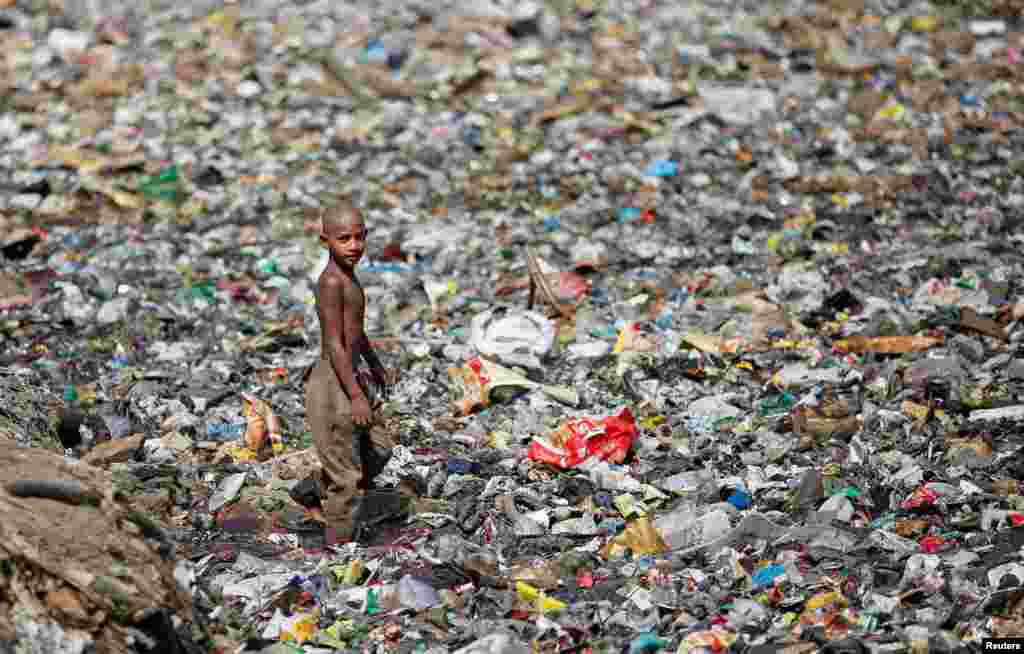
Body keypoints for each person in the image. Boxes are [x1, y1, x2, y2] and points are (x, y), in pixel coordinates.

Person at [303, 199, 395, 543]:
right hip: (333, 382)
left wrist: (373, 363)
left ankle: (315, 488)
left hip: (353, 372)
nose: (354, 246)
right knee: (348, 478)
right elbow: (335, 343)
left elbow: (355, 330)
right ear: (325, 240)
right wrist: (356, 395)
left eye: (359, 237)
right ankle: (339, 550)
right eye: (344, 239)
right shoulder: (330, 283)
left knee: (380, 447)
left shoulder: (349, 275)